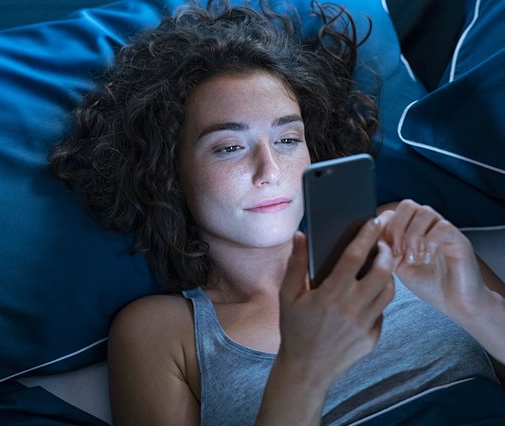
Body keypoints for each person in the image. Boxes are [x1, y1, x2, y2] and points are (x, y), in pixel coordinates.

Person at [49, 1, 505, 424]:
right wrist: (304, 369)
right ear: (167, 172)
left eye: (288, 140)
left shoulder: (403, 238)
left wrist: (474, 304)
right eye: (228, 147)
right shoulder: (162, 333)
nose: (270, 170)